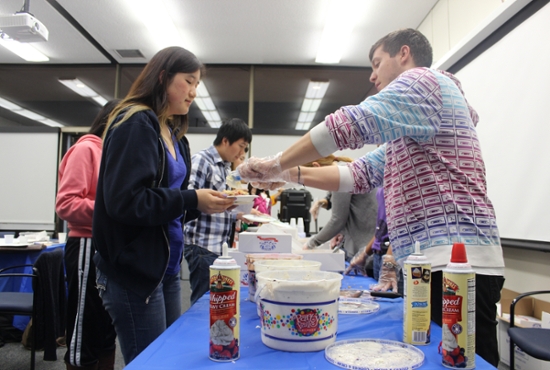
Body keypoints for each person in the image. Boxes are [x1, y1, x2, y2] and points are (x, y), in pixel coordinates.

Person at [237, 28, 505, 367]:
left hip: (458, 263)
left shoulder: (425, 82)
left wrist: (278, 162)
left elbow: (350, 123)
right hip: (430, 264)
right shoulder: (410, 128)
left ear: (404, 54)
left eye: (377, 63)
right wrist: (285, 175)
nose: (372, 75)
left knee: (466, 360)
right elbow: (357, 175)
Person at [92, 47, 235, 365]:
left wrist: (203, 205)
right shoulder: (136, 123)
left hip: (166, 269)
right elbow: (126, 202)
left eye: (197, 84)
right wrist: (191, 199)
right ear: (162, 77)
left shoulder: (174, 134)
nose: (194, 92)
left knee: (171, 357)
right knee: (152, 362)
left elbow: (168, 202)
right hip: (134, 271)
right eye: (189, 81)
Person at [56, 100, 119, 370]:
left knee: (107, 331)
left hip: (109, 245)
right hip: (86, 243)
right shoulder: (86, 149)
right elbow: (66, 204)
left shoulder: (112, 153)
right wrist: (114, 210)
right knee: (86, 330)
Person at [184, 118, 252, 305]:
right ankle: (199, 335)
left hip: (216, 246)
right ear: (225, 140)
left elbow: (218, 206)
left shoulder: (223, 167)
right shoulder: (202, 161)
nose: (242, 153)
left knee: (215, 302)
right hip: (202, 245)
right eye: (241, 146)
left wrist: (237, 212)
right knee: (202, 302)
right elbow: (189, 198)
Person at [302, 156, 377, 262]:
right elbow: (347, 203)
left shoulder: (341, 177)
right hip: (369, 245)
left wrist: (310, 244)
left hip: (363, 250)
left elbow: (337, 220)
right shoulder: (346, 169)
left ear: (316, 166)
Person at [345, 186, 390, 280]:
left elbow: (403, 228)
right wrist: (365, 253)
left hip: (395, 259)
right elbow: (382, 228)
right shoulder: (384, 178)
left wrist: (390, 262)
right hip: (379, 255)